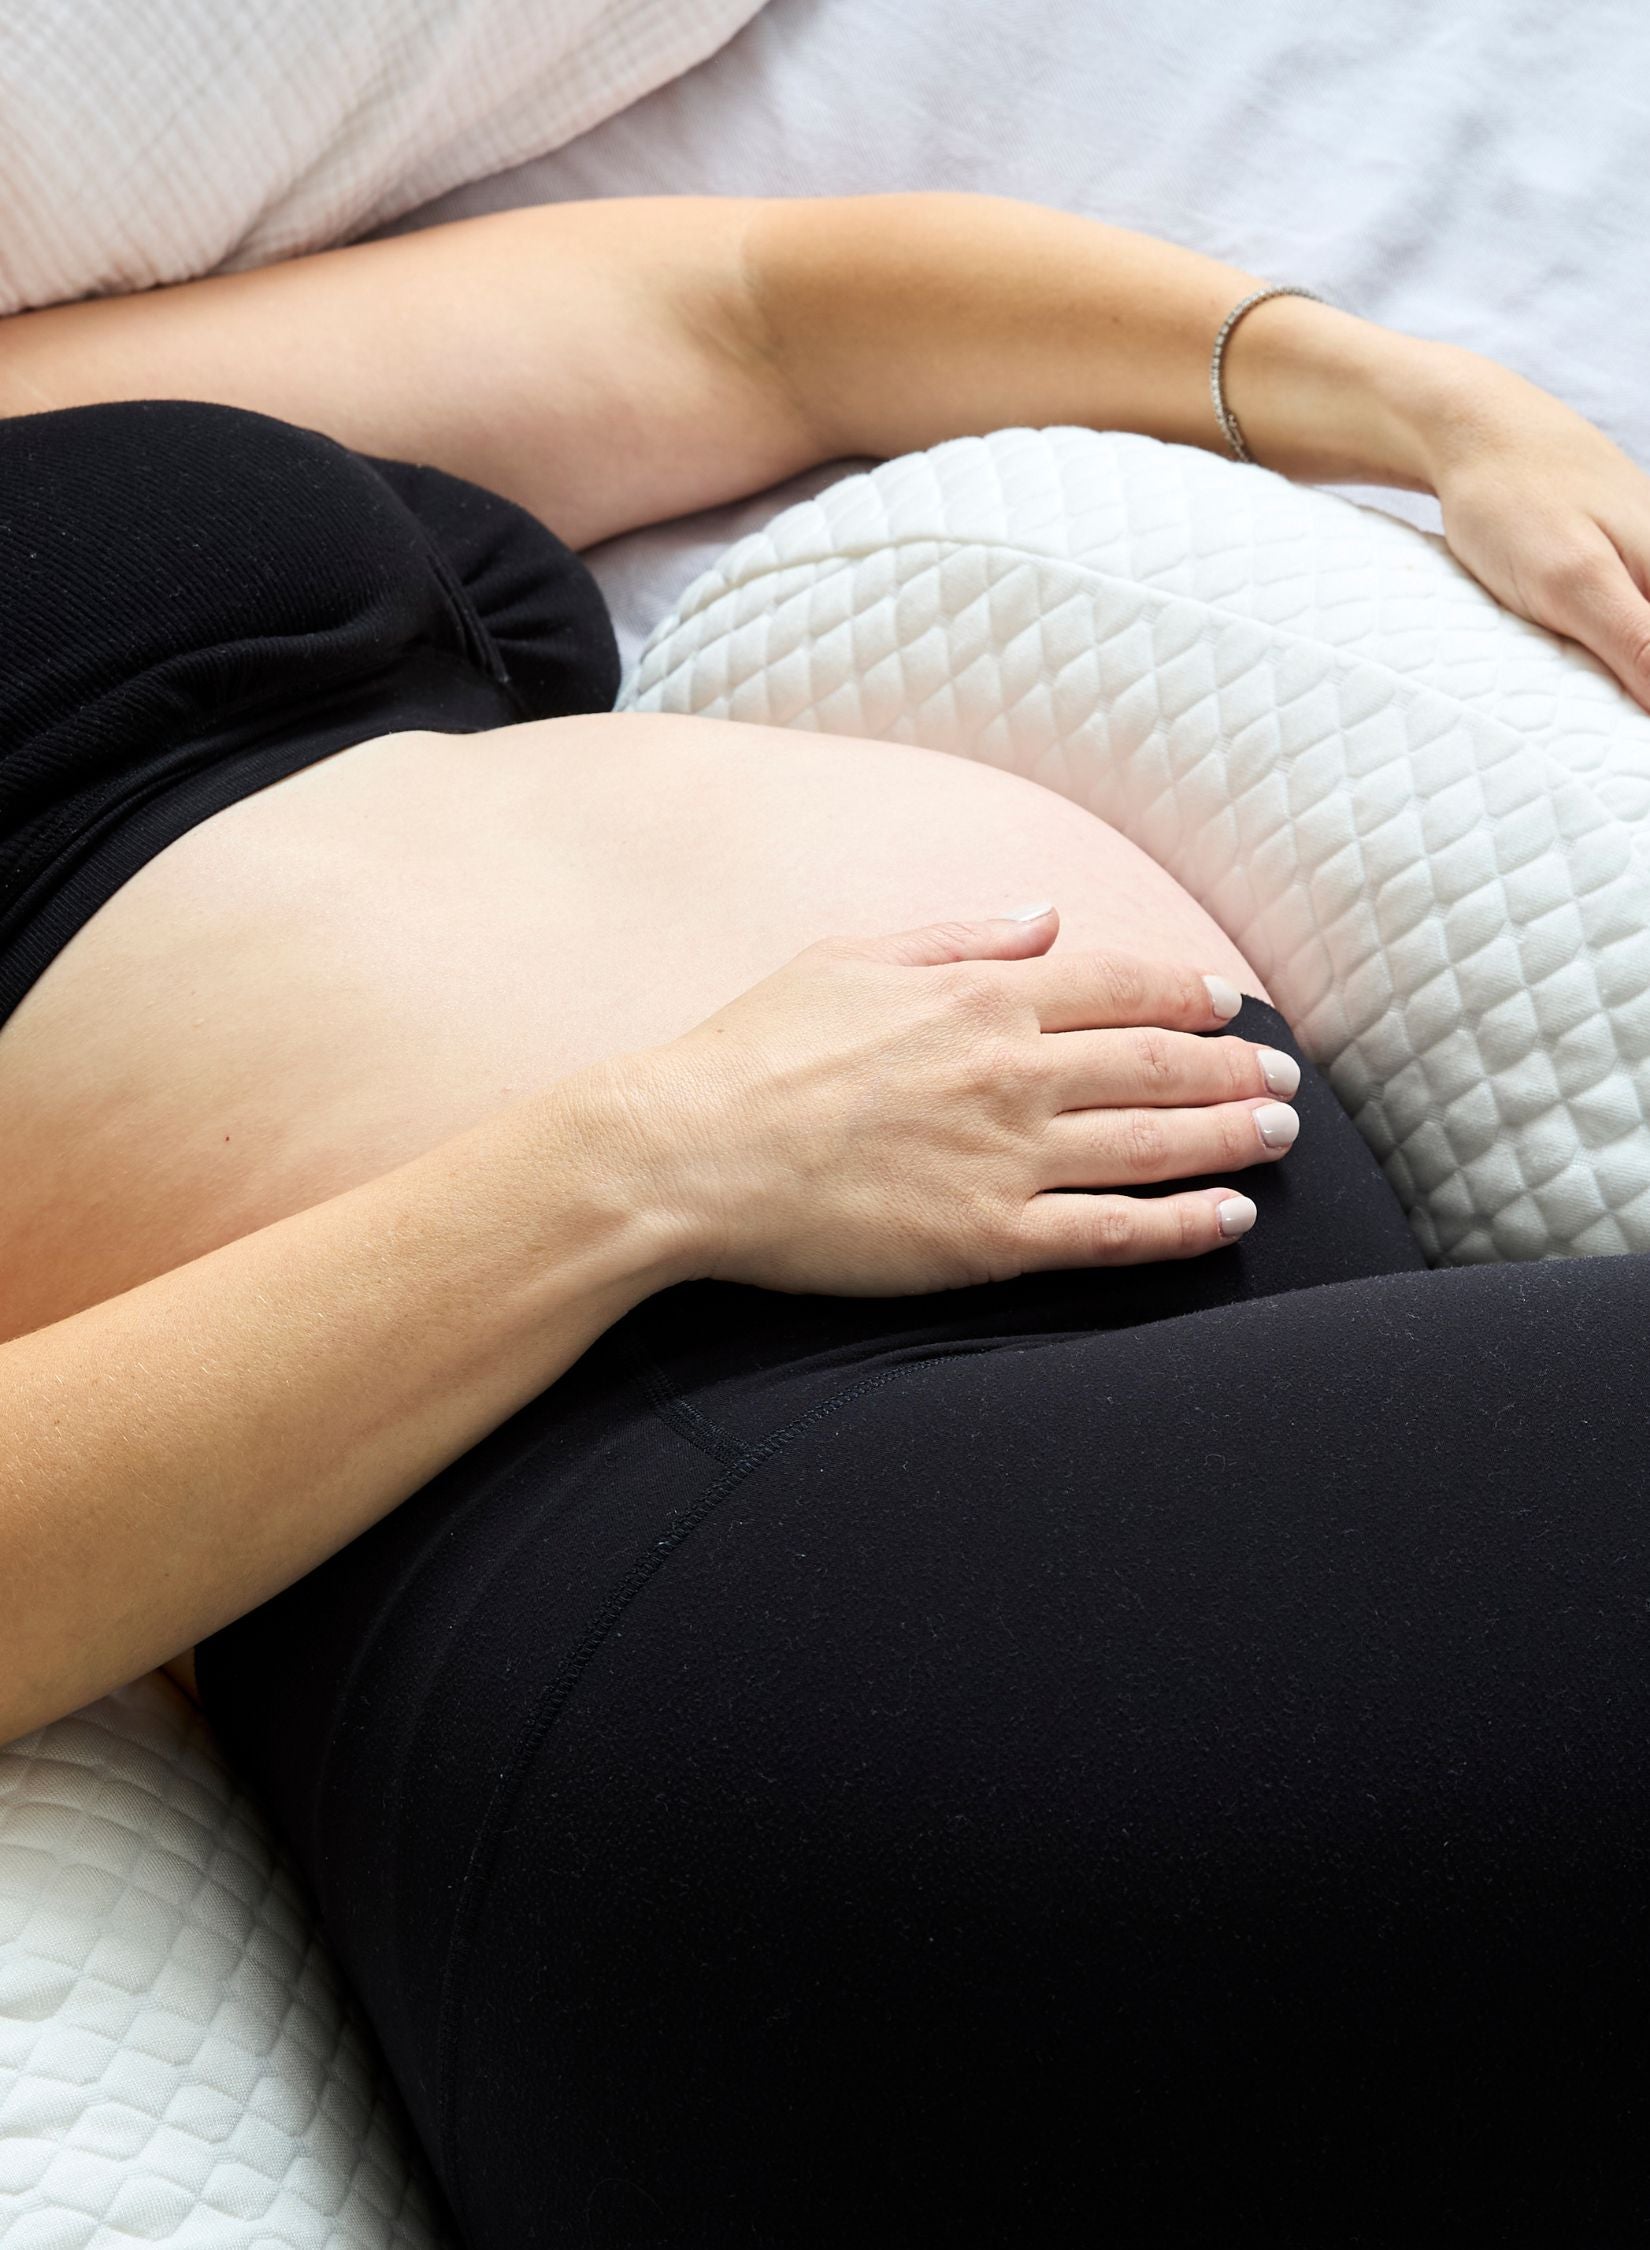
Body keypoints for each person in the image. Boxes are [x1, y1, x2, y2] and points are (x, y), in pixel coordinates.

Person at [1, 192, 1646, 2245]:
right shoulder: (660, 1191)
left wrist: (1428, 408)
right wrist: (651, 1161)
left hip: (1032, 1592)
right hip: (717, 1598)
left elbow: (749, 315)